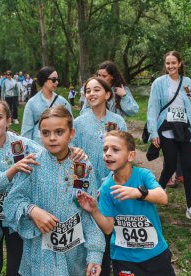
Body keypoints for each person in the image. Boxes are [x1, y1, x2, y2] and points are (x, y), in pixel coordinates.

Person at [4, 106, 105, 276]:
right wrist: (32, 210)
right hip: (40, 255)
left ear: (71, 133)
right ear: (39, 134)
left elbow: (89, 213)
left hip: (74, 257)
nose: (52, 138)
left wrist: (95, 254)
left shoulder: (83, 166)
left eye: (59, 132)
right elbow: (12, 202)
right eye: (46, 133)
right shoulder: (32, 164)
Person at [77, 131, 175, 276]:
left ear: (131, 155)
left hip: (155, 253)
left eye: (115, 149)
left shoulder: (143, 175)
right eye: (105, 149)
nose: (108, 153)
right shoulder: (106, 188)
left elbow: (162, 197)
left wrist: (139, 193)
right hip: (124, 259)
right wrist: (94, 211)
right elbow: (108, 228)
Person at [0, 99, 43, 275]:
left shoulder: (21, 143)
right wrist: (12, 171)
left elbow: (46, 155)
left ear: (8, 120)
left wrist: (72, 152)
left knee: (17, 263)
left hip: (16, 215)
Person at [146, 50, 191, 224]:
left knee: (189, 166)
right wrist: (153, 132)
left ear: (180, 63)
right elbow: (152, 108)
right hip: (166, 129)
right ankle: (154, 197)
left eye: (174, 63)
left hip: (186, 130)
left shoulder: (188, 83)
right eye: (168, 63)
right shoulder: (159, 83)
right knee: (170, 165)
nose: (171, 66)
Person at [74, 77, 127, 276]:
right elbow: (73, 158)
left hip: (112, 188)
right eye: (88, 91)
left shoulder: (117, 122)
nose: (92, 94)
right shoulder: (78, 123)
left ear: (107, 94)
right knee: (92, 238)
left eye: (97, 90)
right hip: (87, 190)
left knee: (113, 235)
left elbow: (125, 155)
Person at [21, 66, 72, 145]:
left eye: (57, 80)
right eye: (54, 80)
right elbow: (26, 131)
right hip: (38, 148)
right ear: (44, 80)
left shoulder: (63, 102)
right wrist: (27, 151)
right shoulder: (31, 103)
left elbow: (71, 126)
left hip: (60, 147)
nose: (57, 82)